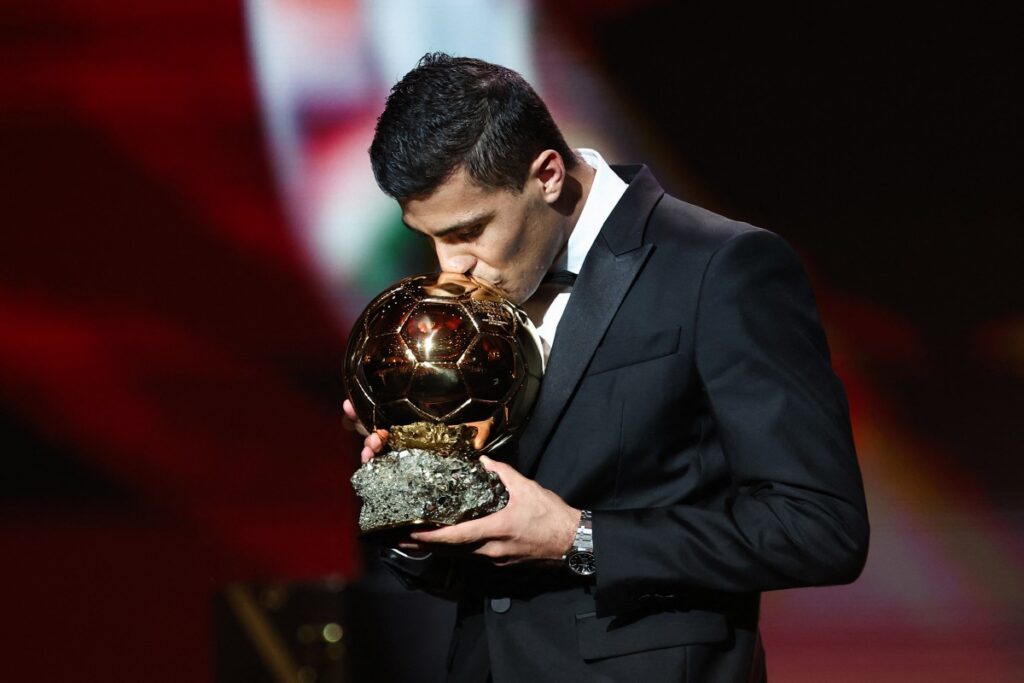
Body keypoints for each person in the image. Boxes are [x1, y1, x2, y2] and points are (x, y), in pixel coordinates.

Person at [342, 52, 869, 682]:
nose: (449, 267)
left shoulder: (721, 268)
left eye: (471, 229)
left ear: (547, 175)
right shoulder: (464, 301)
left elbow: (820, 528)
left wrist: (578, 537)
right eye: (429, 236)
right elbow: (479, 560)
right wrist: (414, 497)